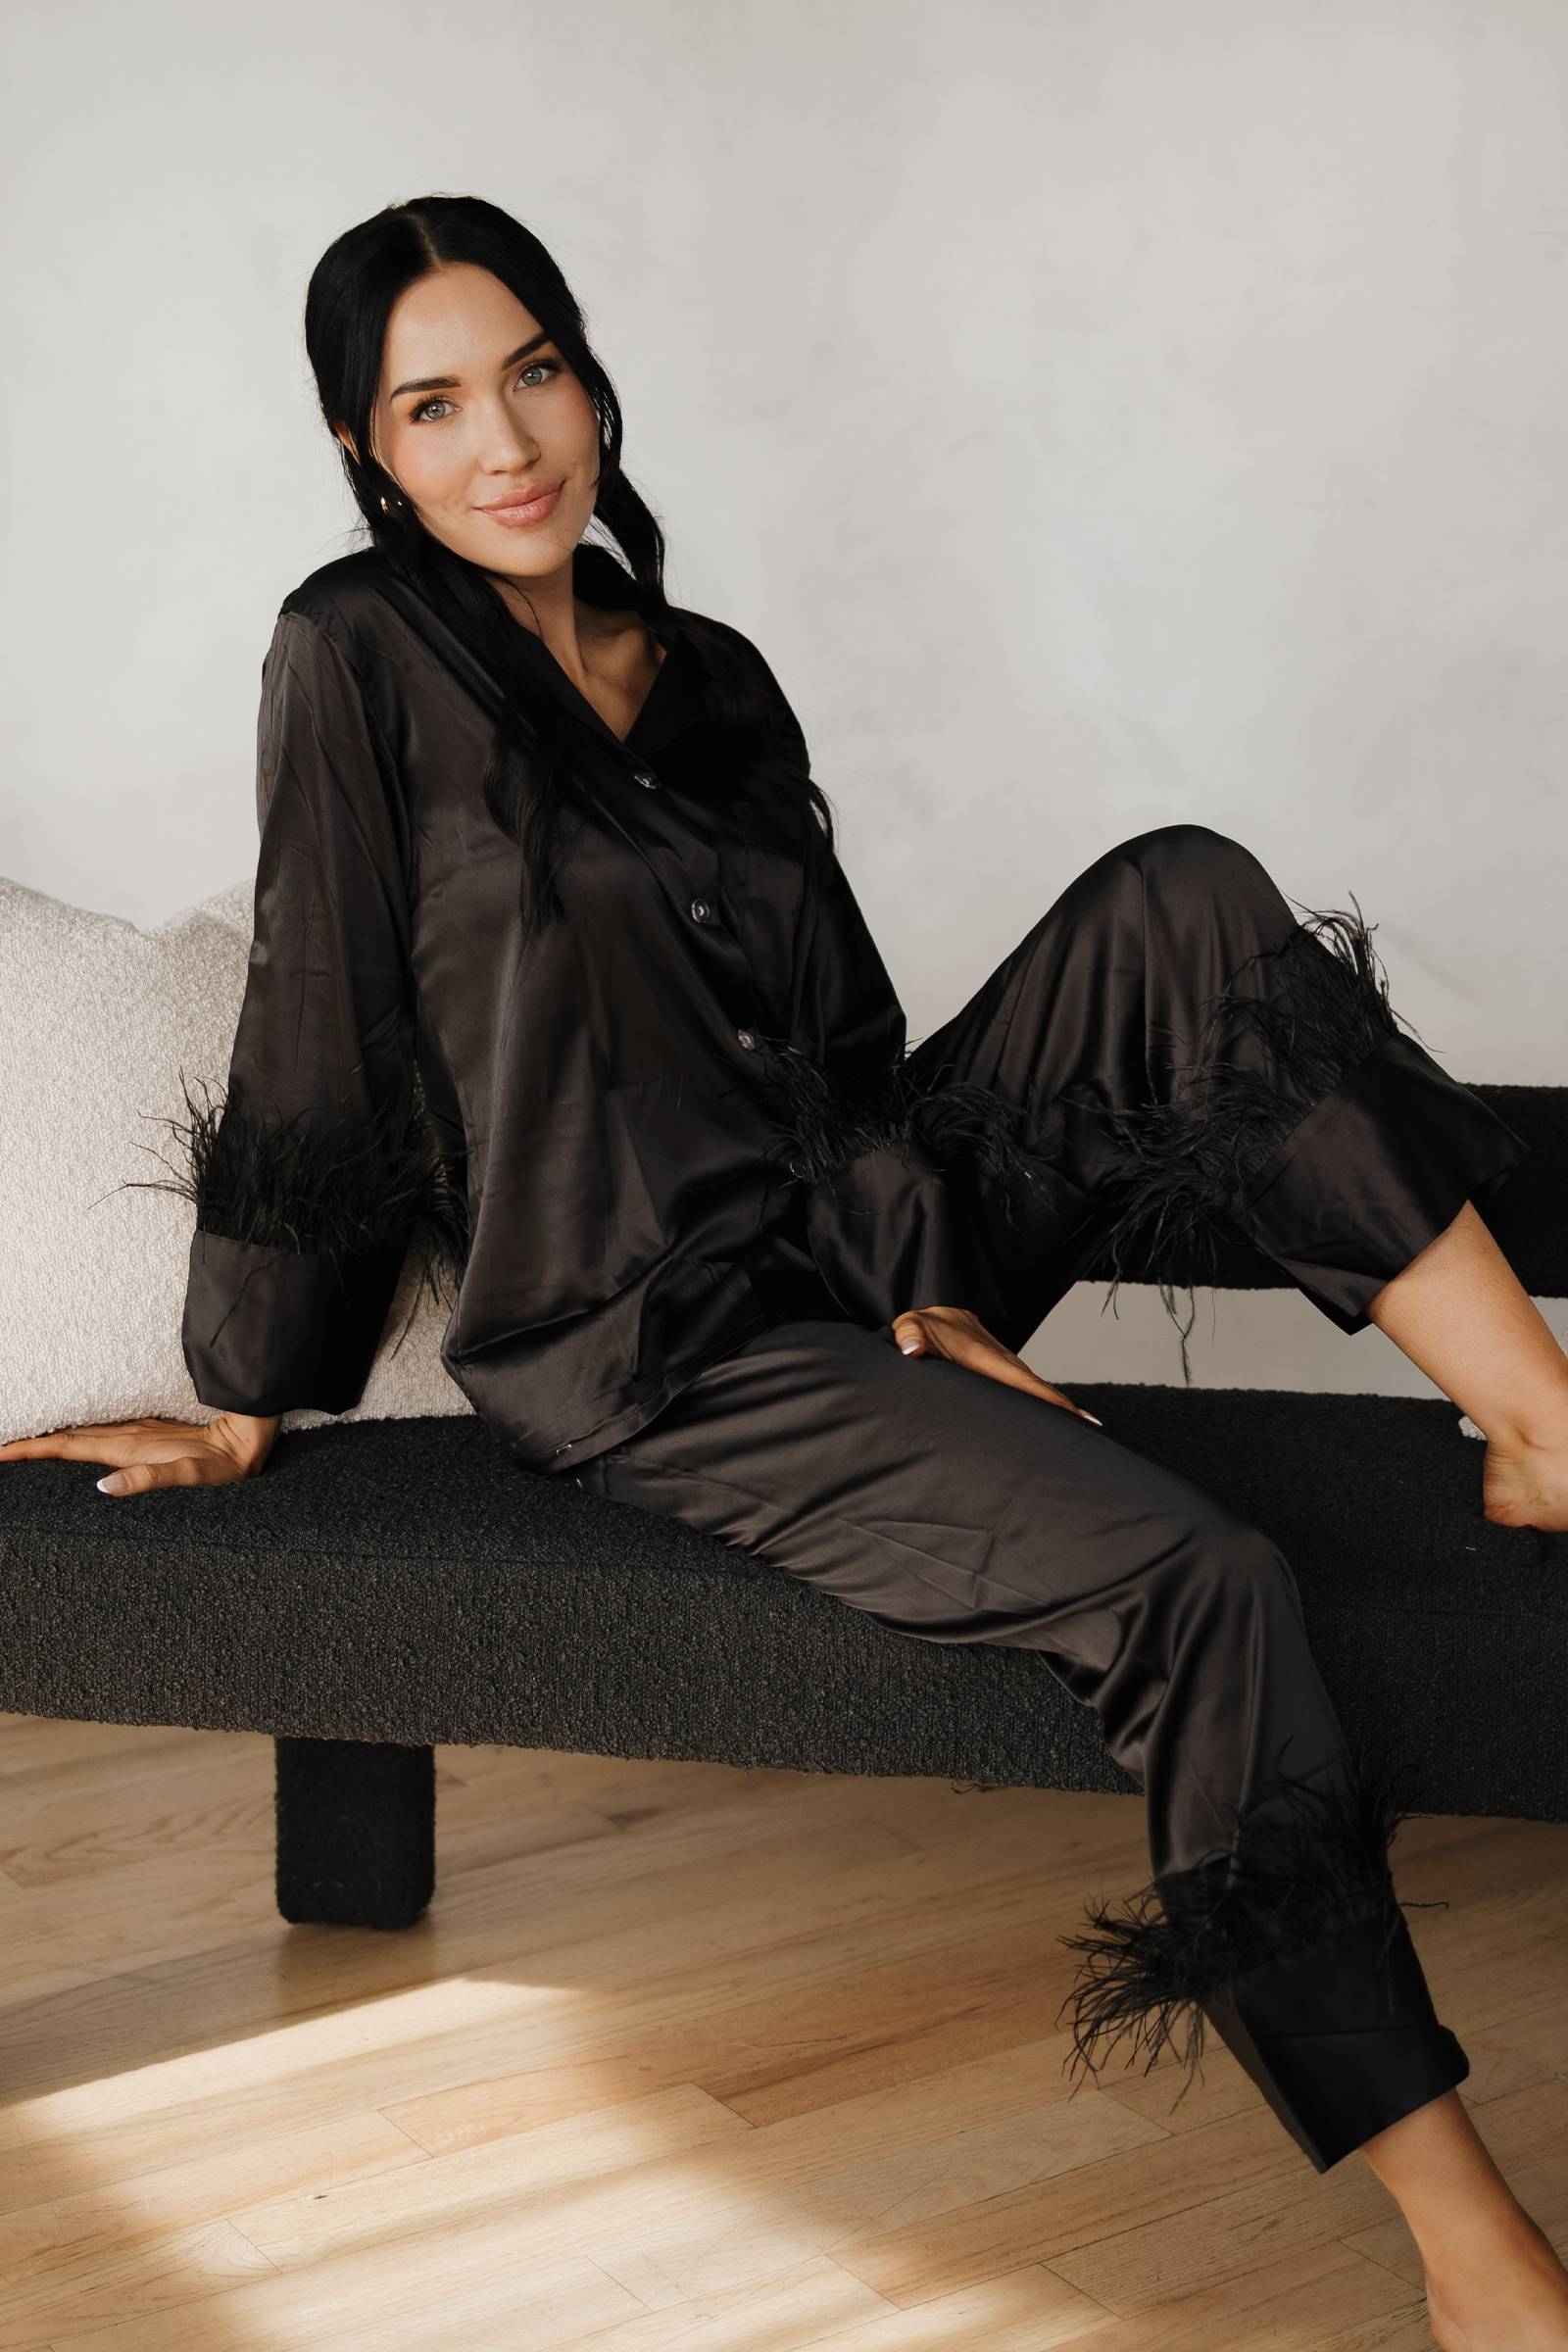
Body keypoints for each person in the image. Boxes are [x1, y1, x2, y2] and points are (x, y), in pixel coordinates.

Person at [5, 194, 1567, 2348]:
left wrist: (933, 1290)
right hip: (666, 1343)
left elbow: (842, 1053)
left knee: (1183, 896)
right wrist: (250, 1388)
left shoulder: (710, 670)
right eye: (432, 406)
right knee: (1199, 1577)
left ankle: (1536, 1426)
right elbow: (320, 1020)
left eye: (532, 371)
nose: (504, 442)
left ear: (588, 374)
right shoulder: (355, 652)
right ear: (364, 449)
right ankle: (1472, 2247)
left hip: (856, 1253)